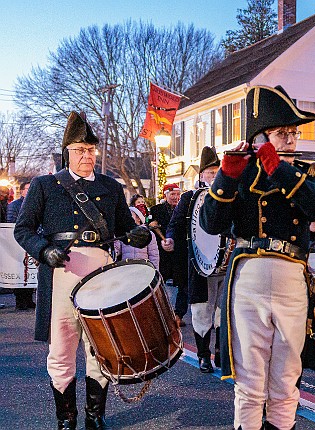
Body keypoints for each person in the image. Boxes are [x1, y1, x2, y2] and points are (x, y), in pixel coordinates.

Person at [200, 85, 315, 429]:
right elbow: (211, 223)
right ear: (262, 136)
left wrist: (278, 167)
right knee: (249, 381)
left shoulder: (305, 173)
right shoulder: (238, 173)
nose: (291, 138)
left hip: (291, 274)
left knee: (286, 380)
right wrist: (226, 177)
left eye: (293, 132)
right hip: (249, 273)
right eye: (282, 132)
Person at [14, 111, 151, 430]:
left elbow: (125, 227)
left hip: (102, 276)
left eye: (91, 150)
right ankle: (66, 419)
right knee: (61, 349)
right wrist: (43, 250)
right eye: (80, 150)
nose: (87, 155)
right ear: (67, 153)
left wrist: (138, 233)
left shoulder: (111, 187)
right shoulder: (44, 185)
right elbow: (24, 230)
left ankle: (94, 416)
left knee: (100, 348)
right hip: (61, 273)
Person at [162, 146, 226, 372]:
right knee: (201, 311)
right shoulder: (190, 198)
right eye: (210, 173)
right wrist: (169, 239)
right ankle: (203, 355)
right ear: (201, 176)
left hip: (225, 264)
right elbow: (175, 225)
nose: (215, 176)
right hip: (201, 264)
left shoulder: (229, 196)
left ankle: (220, 351)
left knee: (223, 310)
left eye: (218, 172)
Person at [150, 183, 183, 320]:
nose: (175, 197)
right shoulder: (156, 209)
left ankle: (178, 314)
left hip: (179, 251)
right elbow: (150, 223)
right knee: (161, 282)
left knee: (181, 283)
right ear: (166, 195)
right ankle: (163, 314)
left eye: (177, 194)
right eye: (172, 194)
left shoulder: (183, 209)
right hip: (161, 252)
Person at [7, 180, 36, 310]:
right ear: (22, 191)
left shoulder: (37, 203)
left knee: (30, 270)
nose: (30, 191)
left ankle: (29, 299)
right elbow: (10, 223)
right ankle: (20, 300)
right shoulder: (14, 205)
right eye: (28, 189)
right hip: (18, 242)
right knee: (19, 269)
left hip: (33, 240)